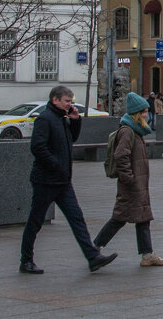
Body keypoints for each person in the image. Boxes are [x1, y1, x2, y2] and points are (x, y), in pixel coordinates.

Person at [19, 85, 117, 275]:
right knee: (35, 221)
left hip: (62, 182)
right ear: (55, 100)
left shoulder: (61, 119)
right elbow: (38, 147)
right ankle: (26, 260)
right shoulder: (45, 119)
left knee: (76, 218)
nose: (70, 105)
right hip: (46, 181)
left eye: (71, 101)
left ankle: (92, 257)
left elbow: (70, 139)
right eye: (67, 101)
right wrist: (55, 164)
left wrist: (76, 121)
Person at [93, 92, 163, 266]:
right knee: (119, 219)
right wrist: (129, 179)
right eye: (143, 112)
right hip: (132, 185)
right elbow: (121, 156)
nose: (146, 115)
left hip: (137, 184)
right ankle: (95, 246)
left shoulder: (136, 130)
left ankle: (147, 255)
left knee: (143, 218)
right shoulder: (128, 131)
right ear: (136, 113)